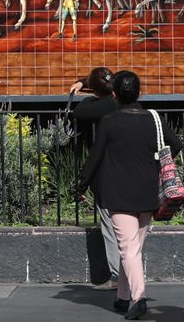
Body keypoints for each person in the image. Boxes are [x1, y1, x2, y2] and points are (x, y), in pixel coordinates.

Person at [78, 71, 184, 319]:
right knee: (132, 248)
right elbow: (176, 144)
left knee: (128, 248)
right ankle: (123, 297)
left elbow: (95, 157)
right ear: (139, 93)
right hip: (148, 192)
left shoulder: (109, 121)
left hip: (118, 192)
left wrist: (82, 184)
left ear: (114, 95)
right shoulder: (154, 120)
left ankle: (138, 298)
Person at [69, 68, 120, 292]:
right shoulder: (124, 100)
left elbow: (80, 111)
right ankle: (131, 276)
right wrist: (85, 82)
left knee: (110, 227)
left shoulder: (103, 105)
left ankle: (117, 277)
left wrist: (88, 91)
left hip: (109, 176)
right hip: (135, 176)